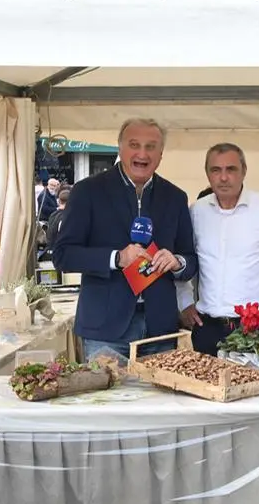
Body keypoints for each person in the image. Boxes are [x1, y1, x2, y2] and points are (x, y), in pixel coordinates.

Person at [53, 118, 198, 359]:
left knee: (159, 397)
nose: (142, 153)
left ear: (161, 154)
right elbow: (63, 255)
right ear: (120, 149)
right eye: (134, 144)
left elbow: (191, 260)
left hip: (160, 329)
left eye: (151, 146)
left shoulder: (175, 197)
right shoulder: (88, 192)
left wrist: (177, 262)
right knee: (105, 397)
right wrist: (116, 258)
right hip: (105, 329)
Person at [178, 143, 259, 360]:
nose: (223, 177)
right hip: (207, 326)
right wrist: (184, 302)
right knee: (206, 390)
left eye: (230, 169)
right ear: (207, 174)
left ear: (244, 171)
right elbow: (185, 260)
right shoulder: (197, 211)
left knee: (257, 392)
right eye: (215, 170)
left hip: (255, 328)